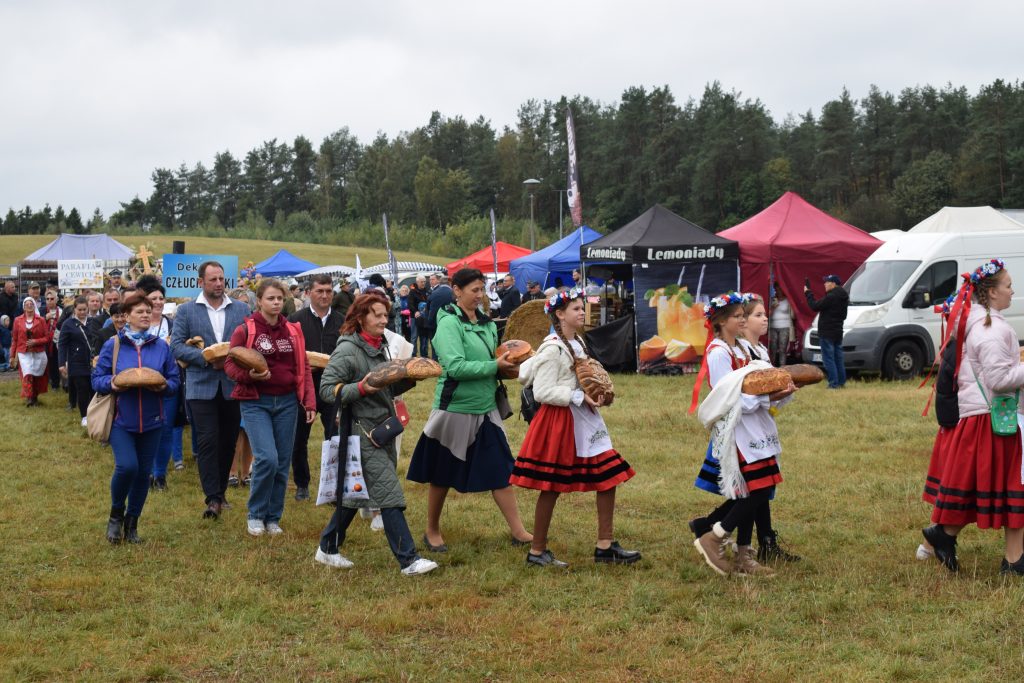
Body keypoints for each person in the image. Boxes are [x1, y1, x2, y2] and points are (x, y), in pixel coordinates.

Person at [510, 288, 639, 567]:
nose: (582, 312)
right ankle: (537, 551)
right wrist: (580, 396)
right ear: (559, 314)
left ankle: (605, 545)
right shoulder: (553, 349)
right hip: (560, 422)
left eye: (583, 308)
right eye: (576, 309)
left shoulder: (577, 341)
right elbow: (543, 391)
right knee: (552, 485)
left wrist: (597, 391)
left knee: (610, 474)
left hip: (584, 418)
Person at [407, 268, 533, 551]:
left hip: (487, 408)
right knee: (441, 473)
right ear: (456, 290)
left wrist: (509, 367)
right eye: (474, 290)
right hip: (455, 408)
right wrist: (494, 366)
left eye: (482, 290)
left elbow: (492, 360)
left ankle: (519, 531)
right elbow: (454, 367)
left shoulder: (487, 324)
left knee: (502, 469)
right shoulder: (449, 323)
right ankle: (432, 530)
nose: (480, 296)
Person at [315, 290, 439, 575]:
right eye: (378, 315)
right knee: (388, 492)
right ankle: (409, 560)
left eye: (386, 314)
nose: (385, 320)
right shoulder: (348, 349)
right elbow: (326, 389)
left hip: (381, 429)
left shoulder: (380, 345)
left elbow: (385, 388)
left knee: (355, 494)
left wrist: (409, 378)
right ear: (361, 317)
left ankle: (328, 547)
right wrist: (360, 388)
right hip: (360, 432)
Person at [922, 259, 1024, 575]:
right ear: (991, 292)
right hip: (993, 419)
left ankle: (1009, 557)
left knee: (1000, 490)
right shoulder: (991, 329)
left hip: (987, 416)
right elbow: (998, 380)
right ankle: (1012, 561)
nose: (1012, 291)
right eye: (1007, 285)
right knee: (1011, 488)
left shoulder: (981, 324)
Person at [689, 292, 796, 577]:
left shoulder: (743, 351)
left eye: (742, 315)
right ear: (722, 321)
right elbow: (730, 399)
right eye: (737, 316)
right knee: (755, 489)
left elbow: (757, 393)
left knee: (757, 488)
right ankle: (715, 534)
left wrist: (779, 394)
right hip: (737, 431)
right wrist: (766, 396)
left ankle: (743, 554)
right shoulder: (719, 352)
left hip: (756, 429)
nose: (742, 320)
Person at [225, 278, 316, 537]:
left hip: (287, 402)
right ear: (260, 301)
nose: (276, 303)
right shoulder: (246, 329)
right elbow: (230, 365)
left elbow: (304, 367)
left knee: (281, 462)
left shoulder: (293, 331)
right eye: (270, 298)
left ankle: (273, 517)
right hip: (256, 402)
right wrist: (249, 376)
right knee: (267, 458)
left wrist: (309, 401)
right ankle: (255, 514)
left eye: (279, 298)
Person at [92, 292, 180, 544]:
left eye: (148, 311)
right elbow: (96, 379)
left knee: (143, 474)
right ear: (127, 316)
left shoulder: (161, 346)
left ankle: (132, 524)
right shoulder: (114, 345)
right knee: (127, 466)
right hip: (121, 420)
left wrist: (163, 387)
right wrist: (113, 384)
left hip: (153, 421)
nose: (145, 315)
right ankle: (115, 515)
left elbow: (174, 380)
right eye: (139, 312)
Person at [170, 261, 249, 520]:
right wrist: (206, 358)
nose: (218, 283)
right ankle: (212, 498)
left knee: (228, 442)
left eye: (221, 279)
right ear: (200, 282)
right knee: (207, 441)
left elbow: (250, 344)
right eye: (213, 279)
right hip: (200, 386)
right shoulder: (186, 311)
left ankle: (222, 491)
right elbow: (177, 347)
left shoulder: (242, 309)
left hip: (232, 386)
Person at [288, 273, 345, 501]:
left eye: (328, 291)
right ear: (309, 292)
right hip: (304, 388)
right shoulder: (295, 319)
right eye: (320, 291)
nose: (324, 295)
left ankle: (334, 486)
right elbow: (288, 352)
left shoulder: (342, 321)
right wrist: (300, 368)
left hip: (334, 388)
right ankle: (302, 484)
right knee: (299, 438)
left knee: (335, 437)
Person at [138, 280, 181, 490]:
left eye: (161, 298)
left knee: (165, 430)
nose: (158, 302)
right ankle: (145, 473)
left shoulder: (173, 324)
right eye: (153, 298)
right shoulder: (137, 326)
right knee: (146, 430)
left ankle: (160, 475)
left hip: (167, 384)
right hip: (143, 385)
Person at [805, 274, 849, 389]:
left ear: (833, 284)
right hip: (838, 331)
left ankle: (833, 384)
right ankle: (841, 382)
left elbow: (814, 306)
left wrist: (808, 293)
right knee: (838, 358)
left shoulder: (831, 297)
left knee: (828, 359)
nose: (824, 284)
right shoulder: (844, 296)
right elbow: (844, 316)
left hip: (827, 331)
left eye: (827, 282)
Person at [57, 295, 94, 426]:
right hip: (76, 362)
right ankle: (84, 416)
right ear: (74, 309)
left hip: (92, 362)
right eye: (80, 310)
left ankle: (94, 414)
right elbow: (62, 344)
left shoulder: (92, 322)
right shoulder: (68, 324)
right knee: (82, 389)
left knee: (93, 389)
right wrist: (61, 363)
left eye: (85, 309)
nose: (83, 312)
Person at [11, 297, 51, 406]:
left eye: (31, 304)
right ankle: (29, 397)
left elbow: (47, 338)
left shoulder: (41, 320)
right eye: (26, 304)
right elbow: (15, 339)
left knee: (37, 375)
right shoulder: (17, 320)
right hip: (24, 353)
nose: (29, 306)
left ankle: (35, 397)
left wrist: (36, 341)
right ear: (23, 307)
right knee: (27, 373)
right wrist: (12, 356)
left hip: (38, 352)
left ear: (34, 306)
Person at [425, 273, 454, 356]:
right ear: (450, 283)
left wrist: (428, 323)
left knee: (435, 348)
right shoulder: (453, 293)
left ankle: (436, 364)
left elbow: (427, 309)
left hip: (433, 325)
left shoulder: (433, 293)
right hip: (449, 325)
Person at [769, 288, 793, 367]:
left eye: (780, 290)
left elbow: (794, 315)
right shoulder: (772, 300)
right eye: (777, 290)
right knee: (773, 348)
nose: (778, 291)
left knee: (783, 348)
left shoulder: (788, 300)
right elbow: (767, 314)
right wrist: (773, 307)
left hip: (785, 326)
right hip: (773, 327)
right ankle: (771, 367)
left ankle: (782, 367)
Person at [408, 277, 430, 356]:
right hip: (415, 317)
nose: (423, 283)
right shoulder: (412, 292)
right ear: (417, 282)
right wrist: (415, 311)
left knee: (424, 338)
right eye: (421, 282)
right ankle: (413, 355)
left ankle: (424, 355)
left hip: (425, 318)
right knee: (414, 337)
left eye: (424, 281)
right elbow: (410, 304)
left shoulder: (428, 291)